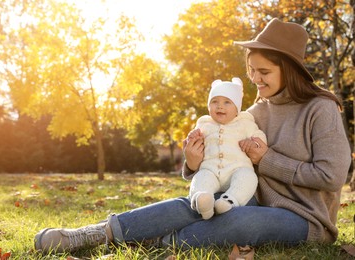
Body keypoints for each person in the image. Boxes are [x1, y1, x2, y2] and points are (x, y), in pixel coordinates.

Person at [34, 18, 351, 253]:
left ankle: (155, 243)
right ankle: (95, 233)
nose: (255, 78)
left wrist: (267, 160)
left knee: (240, 223)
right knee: (195, 203)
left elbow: (333, 176)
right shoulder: (255, 112)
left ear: (290, 70)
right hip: (252, 198)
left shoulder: (320, 109)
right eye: (252, 70)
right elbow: (226, 158)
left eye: (263, 72)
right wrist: (193, 162)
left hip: (305, 218)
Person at [187, 77, 266, 219]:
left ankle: (230, 200)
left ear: (237, 109)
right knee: (201, 178)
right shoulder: (204, 124)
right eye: (214, 102)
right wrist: (192, 137)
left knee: (248, 177)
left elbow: (260, 139)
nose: (220, 106)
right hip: (210, 170)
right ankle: (202, 201)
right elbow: (192, 144)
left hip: (237, 169)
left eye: (227, 102)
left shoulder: (245, 123)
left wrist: (253, 144)